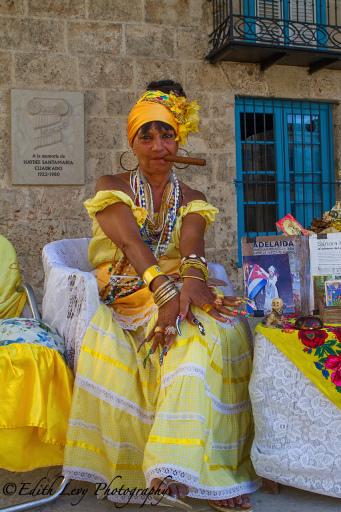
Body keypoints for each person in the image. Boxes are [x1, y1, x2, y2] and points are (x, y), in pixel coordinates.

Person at [63, 80, 260, 511]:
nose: (157, 144)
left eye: (167, 134)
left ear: (179, 139)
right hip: (129, 292)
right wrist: (167, 291)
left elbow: (193, 250)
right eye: (146, 135)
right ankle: (168, 470)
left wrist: (192, 284)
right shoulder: (110, 185)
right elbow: (133, 246)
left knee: (217, 332)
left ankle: (191, 470)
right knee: (185, 330)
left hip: (171, 290)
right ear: (131, 142)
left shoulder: (192, 198)